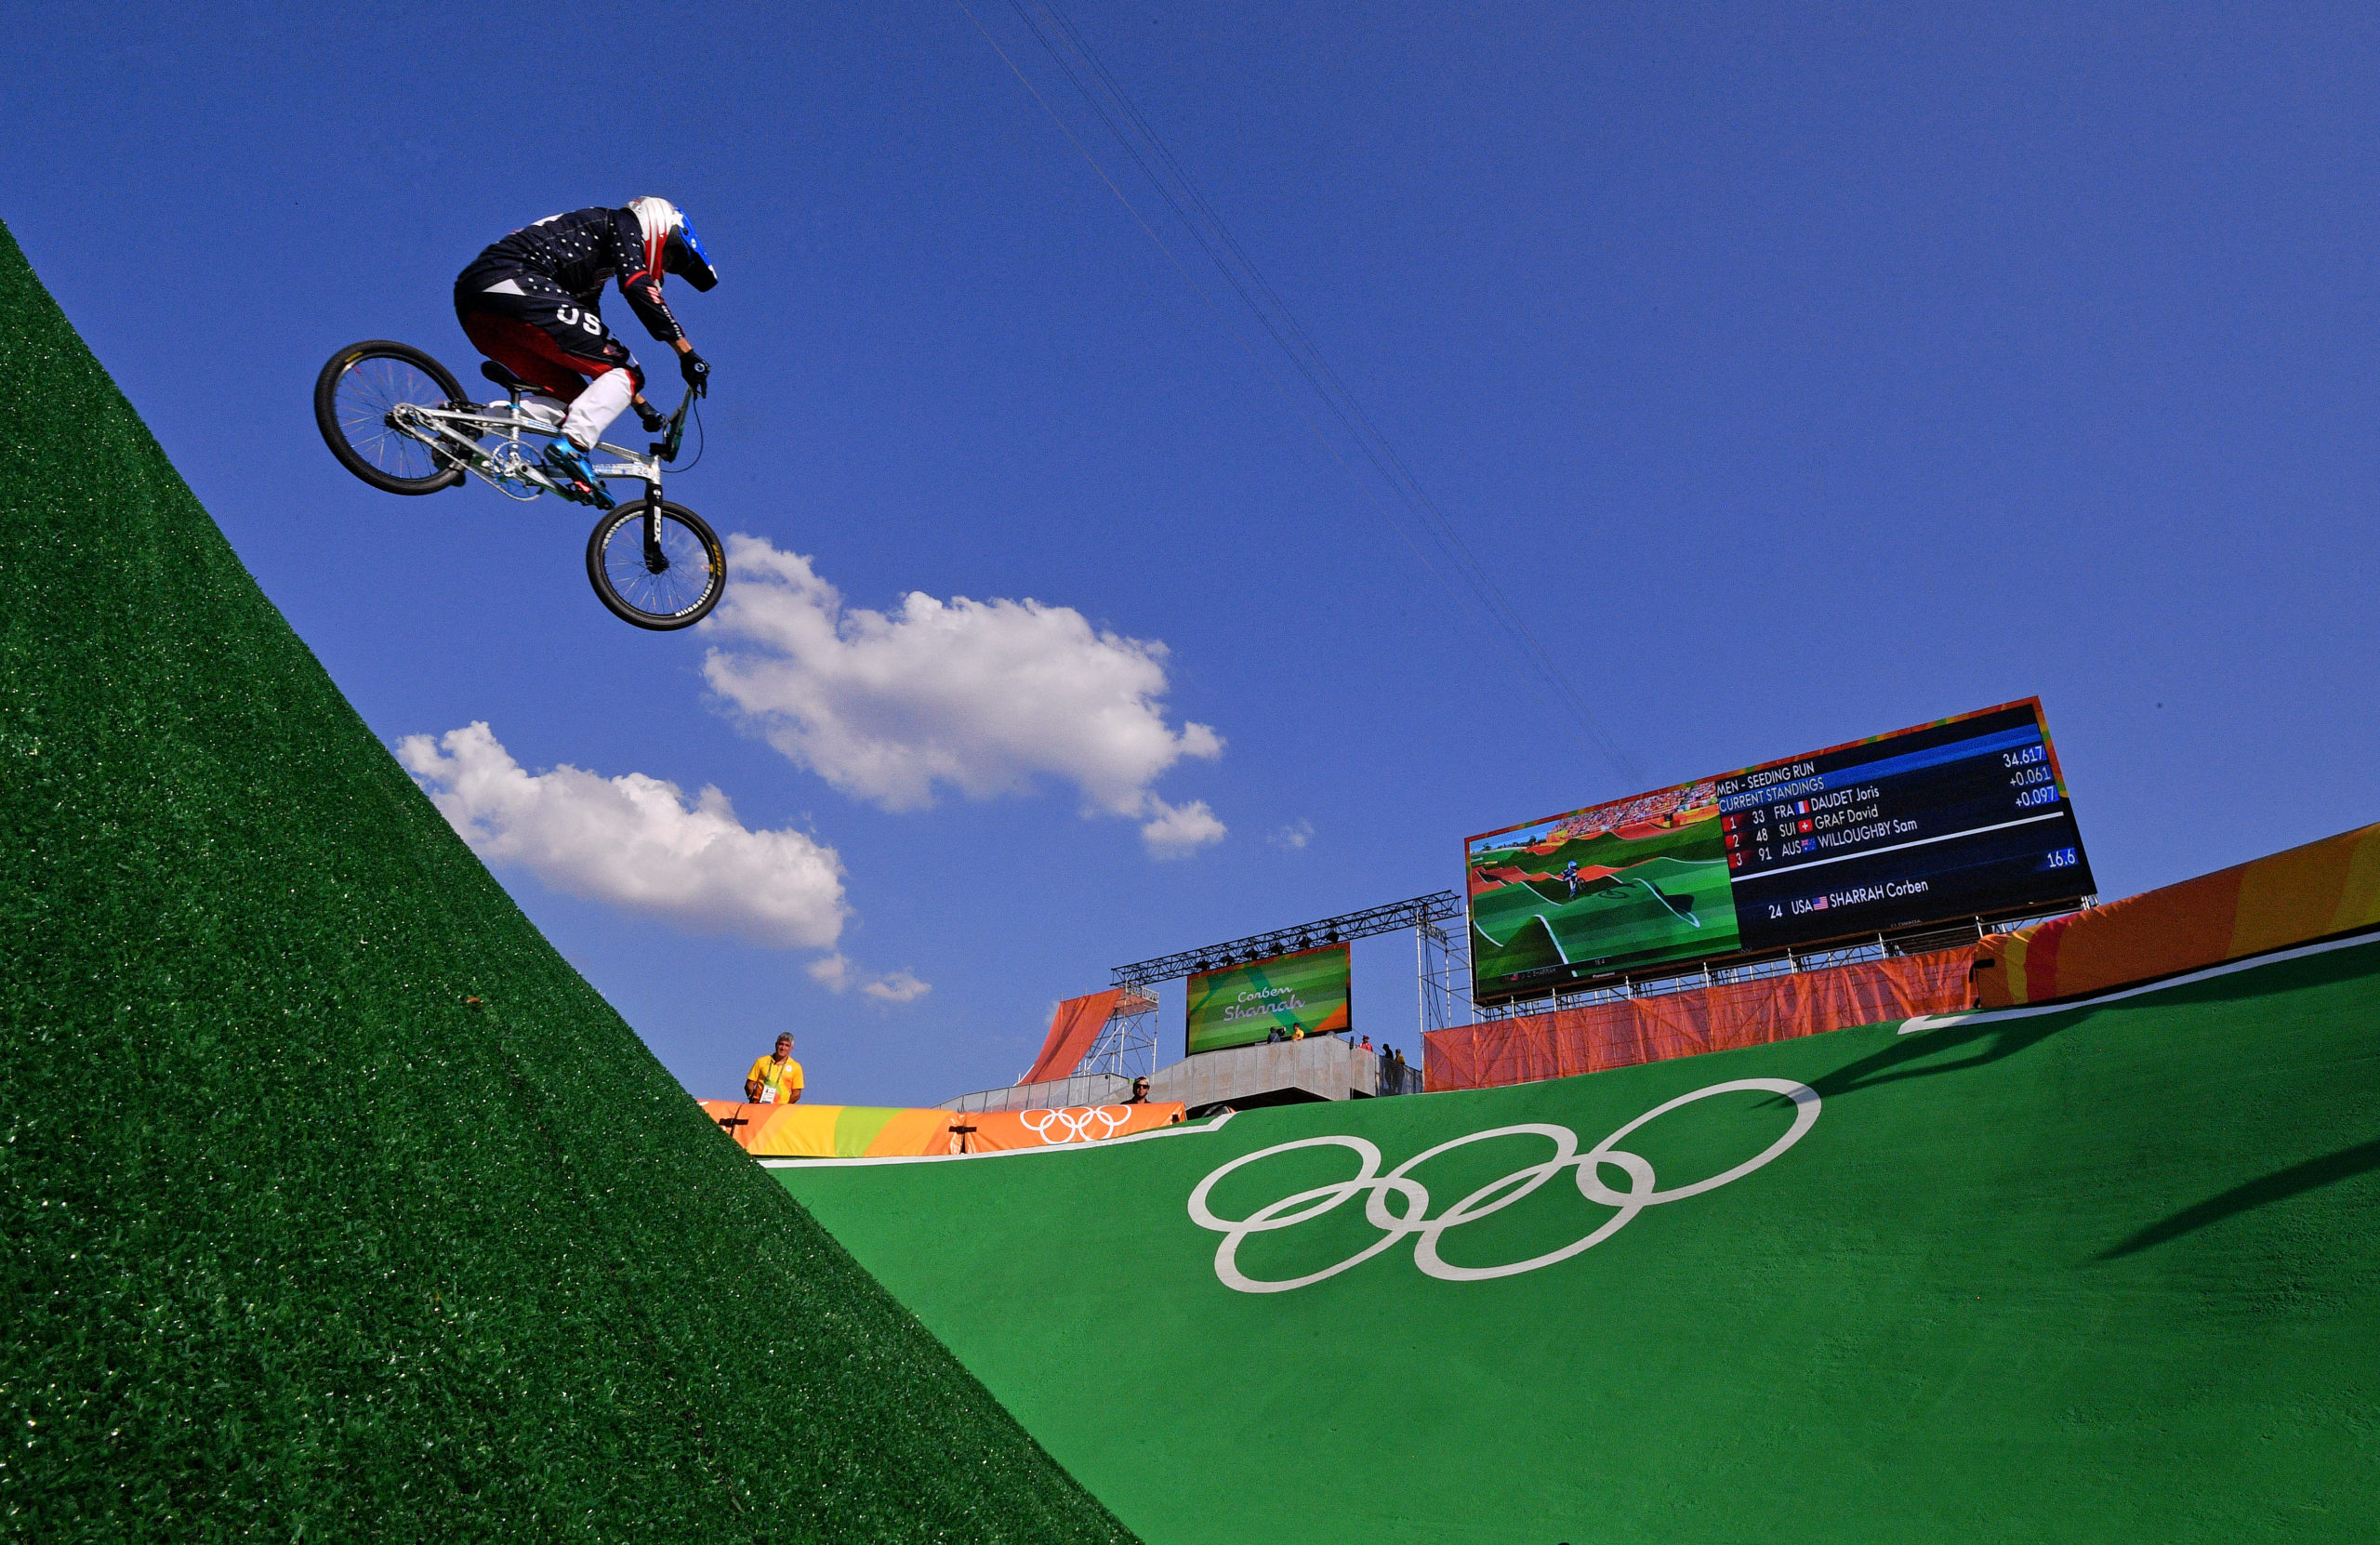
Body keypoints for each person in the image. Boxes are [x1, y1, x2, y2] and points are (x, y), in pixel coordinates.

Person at [453, 198, 718, 509]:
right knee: (628, 371)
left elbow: (592, 345)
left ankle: (469, 424)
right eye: (672, 256)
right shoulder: (623, 223)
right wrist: (686, 353)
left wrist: (642, 406)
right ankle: (574, 447)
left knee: (574, 400)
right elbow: (636, 285)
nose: (667, 266)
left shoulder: (589, 265)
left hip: (481, 307)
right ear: (661, 225)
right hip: (512, 282)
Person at [744, 1034, 803, 1105]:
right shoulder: (761, 1061)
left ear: (791, 1049)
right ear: (776, 1045)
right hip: (759, 1106)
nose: (783, 1048)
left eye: (787, 1045)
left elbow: (796, 1094)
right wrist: (753, 1099)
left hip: (780, 1110)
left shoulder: (796, 1067)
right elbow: (749, 1085)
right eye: (781, 1044)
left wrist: (786, 1107)